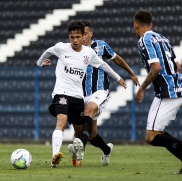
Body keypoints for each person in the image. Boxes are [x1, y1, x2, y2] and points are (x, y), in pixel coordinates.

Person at [36, 20, 127, 168]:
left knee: (85, 133)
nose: (75, 40)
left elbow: (103, 65)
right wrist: (40, 63)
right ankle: (55, 156)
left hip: (78, 98)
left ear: (83, 36)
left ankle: (102, 150)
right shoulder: (61, 48)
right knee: (61, 121)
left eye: (78, 37)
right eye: (72, 37)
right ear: (69, 37)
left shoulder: (88, 53)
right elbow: (47, 51)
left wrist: (118, 77)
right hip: (61, 94)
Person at [133, 10, 182, 174]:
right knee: (158, 133)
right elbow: (177, 66)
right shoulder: (163, 39)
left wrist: (142, 88)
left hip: (167, 93)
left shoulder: (144, 40)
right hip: (174, 89)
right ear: (151, 24)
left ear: (135, 24)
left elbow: (156, 68)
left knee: (151, 137)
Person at [67, 20, 140, 167]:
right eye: (81, 34)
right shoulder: (72, 50)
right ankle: (107, 150)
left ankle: (80, 149)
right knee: (89, 133)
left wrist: (131, 73)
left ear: (90, 34)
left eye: (85, 34)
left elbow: (117, 59)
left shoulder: (100, 46)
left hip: (100, 91)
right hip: (80, 94)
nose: (82, 37)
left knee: (88, 112)